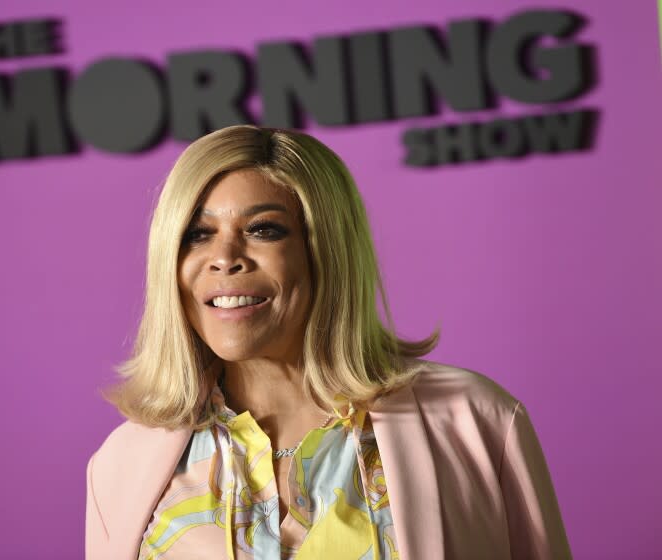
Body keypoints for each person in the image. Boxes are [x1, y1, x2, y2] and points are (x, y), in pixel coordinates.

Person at [85, 125, 571, 560]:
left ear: (326, 250)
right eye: (198, 234)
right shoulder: (121, 464)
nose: (224, 257)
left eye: (262, 230)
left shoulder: (476, 421)